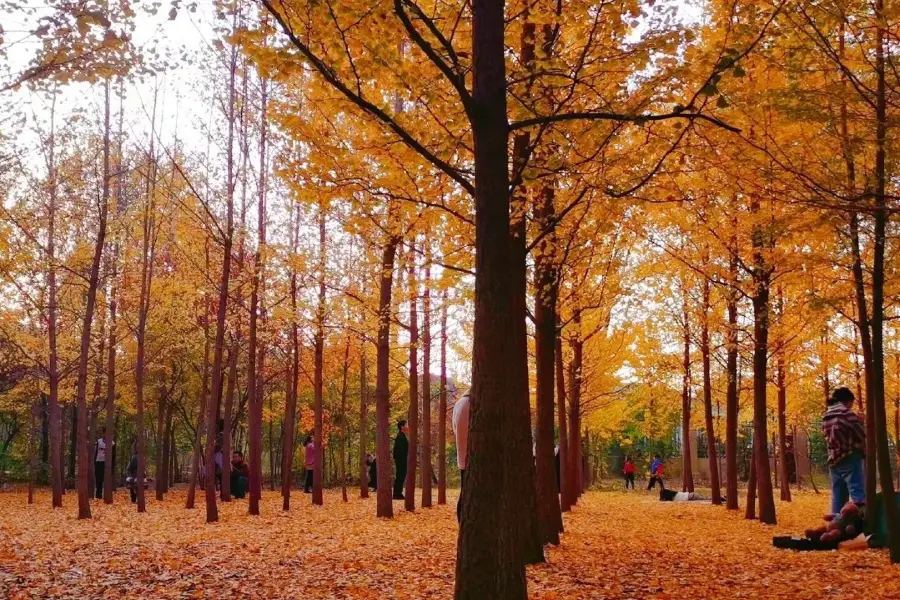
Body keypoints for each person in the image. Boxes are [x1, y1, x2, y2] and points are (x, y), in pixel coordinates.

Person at [822, 387, 866, 515]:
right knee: (858, 492)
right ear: (847, 401)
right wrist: (861, 422)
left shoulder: (826, 416)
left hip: (833, 460)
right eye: (852, 403)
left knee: (838, 496)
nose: (852, 406)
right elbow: (860, 435)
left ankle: (836, 526)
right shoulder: (847, 414)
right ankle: (863, 524)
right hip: (849, 456)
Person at [452, 390, 470, 522]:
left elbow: (454, 428)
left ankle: (462, 524)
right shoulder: (471, 404)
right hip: (472, 457)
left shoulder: (459, 404)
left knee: (464, 492)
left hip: (462, 456)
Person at [93, 430, 113, 499]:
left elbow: (113, 455)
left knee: (107, 480)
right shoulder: (99, 442)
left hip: (107, 463)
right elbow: (95, 452)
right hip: (99, 462)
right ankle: (98, 496)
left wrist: (112, 465)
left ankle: (107, 496)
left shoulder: (112, 443)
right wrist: (94, 462)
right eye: (105, 433)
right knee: (99, 479)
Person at [393, 420, 409, 500]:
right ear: (402, 427)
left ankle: (398, 493)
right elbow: (397, 451)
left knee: (401, 476)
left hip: (402, 460)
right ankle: (397, 494)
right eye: (406, 425)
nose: (408, 426)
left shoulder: (402, 436)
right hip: (401, 460)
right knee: (400, 476)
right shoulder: (400, 437)